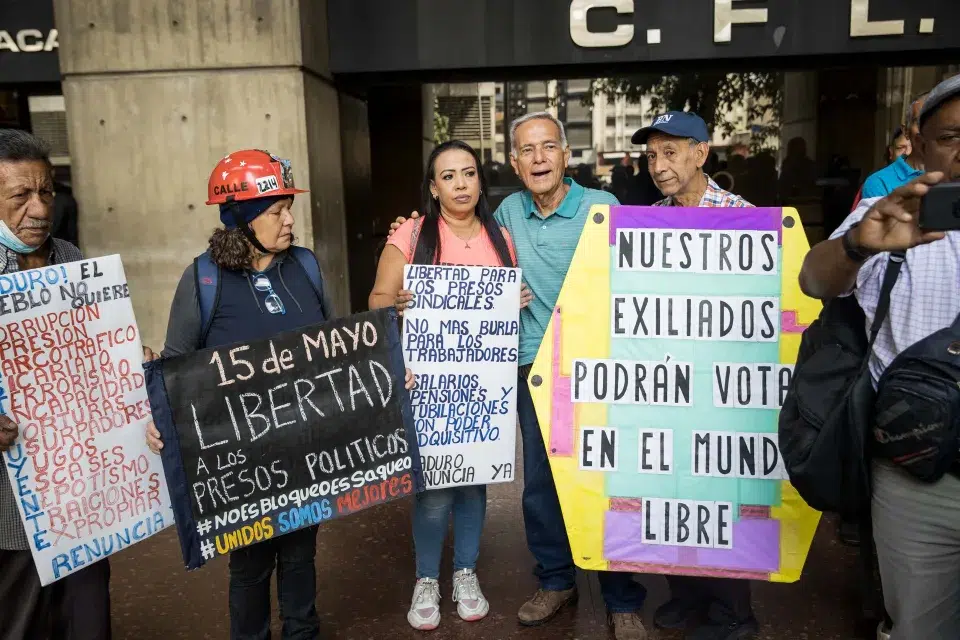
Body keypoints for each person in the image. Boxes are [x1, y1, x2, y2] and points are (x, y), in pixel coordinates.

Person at [390, 112, 649, 640]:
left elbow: (638, 277)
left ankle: (622, 598)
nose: (537, 159)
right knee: (541, 485)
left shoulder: (605, 208)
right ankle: (556, 581)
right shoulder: (507, 214)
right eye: (526, 151)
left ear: (565, 154)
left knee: (607, 478)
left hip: (600, 364)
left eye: (547, 148)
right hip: (533, 363)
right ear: (513, 162)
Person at [145, 148, 416, 640]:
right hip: (244, 466)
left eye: (288, 207)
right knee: (249, 568)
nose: (290, 220)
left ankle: (302, 633)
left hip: (306, 452)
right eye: (276, 211)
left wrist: (385, 370)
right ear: (242, 220)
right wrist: (161, 420)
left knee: (299, 555)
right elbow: (176, 367)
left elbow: (334, 350)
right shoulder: (204, 281)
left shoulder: (305, 267)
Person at [798, 74, 960, 640]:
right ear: (918, 145)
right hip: (919, 475)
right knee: (919, 623)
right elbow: (814, 279)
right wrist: (855, 245)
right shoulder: (890, 213)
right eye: (953, 136)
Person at [0, 129, 156, 640]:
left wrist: (131, 360)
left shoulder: (69, 257)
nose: (39, 208)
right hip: (12, 504)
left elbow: (96, 346)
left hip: (84, 499)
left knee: (89, 619)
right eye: (20, 196)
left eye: (46, 191)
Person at [370, 140, 531, 631]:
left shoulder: (501, 237)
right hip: (427, 384)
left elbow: (502, 308)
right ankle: (426, 580)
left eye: (469, 173)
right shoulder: (412, 234)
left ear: (480, 181)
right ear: (433, 188)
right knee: (435, 488)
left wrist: (516, 298)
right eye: (448, 176)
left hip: (482, 385)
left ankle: (464, 573)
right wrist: (394, 304)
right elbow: (377, 297)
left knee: (473, 483)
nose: (461, 184)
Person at [631, 111, 758, 640]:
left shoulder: (745, 216)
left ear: (701, 153)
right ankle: (684, 594)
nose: (659, 166)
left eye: (670, 153)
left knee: (715, 493)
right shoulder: (651, 219)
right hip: (665, 382)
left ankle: (733, 612)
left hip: (720, 385)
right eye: (652, 155)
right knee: (666, 485)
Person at [859, 94, 928, 201]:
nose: (928, 130)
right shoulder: (880, 182)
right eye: (919, 122)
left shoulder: (954, 174)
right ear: (906, 131)